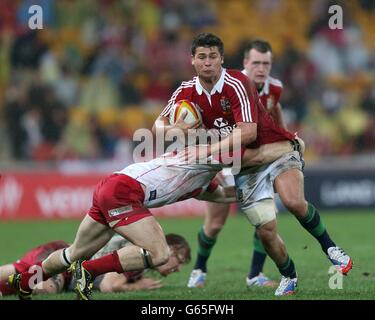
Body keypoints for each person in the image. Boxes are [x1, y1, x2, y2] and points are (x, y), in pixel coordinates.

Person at [154, 33, 352, 296]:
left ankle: (331, 248)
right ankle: (288, 275)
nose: (208, 62)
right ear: (192, 60)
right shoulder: (185, 91)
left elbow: (247, 133)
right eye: (202, 57)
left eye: (213, 56)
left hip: (274, 150)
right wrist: (175, 130)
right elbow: (158, 126)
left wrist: (208, 149)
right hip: (245, 165)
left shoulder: (238, 82)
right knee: (266, 230)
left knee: (293, 201)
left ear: (222, 59)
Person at [9, 138, 295, 300]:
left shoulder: (201, 181)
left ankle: (27, 280)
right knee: (160, 253)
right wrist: (290, 146)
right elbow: (250, 155)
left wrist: (265, 190)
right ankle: (90, 271)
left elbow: (223, 196)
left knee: (74, 252)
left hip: (110, 187)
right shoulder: (202, 155)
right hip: (124, 192)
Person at [0, 234, 191, 297]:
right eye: (179, 260)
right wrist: (134, 286)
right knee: (47, 288)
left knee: (18, 270)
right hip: (63, 265)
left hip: (57, 252)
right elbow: (109, 285)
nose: (178, 268)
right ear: (169, 249)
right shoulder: (140, 253)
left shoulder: (140, 249)